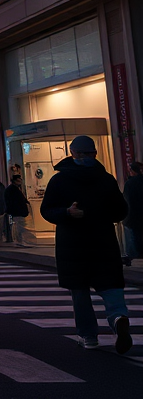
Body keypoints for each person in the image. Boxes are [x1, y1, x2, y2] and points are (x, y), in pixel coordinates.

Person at [40, 135, 132, 354]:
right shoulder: (106, 179)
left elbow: (47, 210)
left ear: (72, 154)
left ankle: (88, 335)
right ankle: (118, 318)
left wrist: (67, 213)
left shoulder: (59, 180)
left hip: (72, 245)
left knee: (80, 292)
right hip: (103, 242)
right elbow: (121, 211)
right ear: (95, 154)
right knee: (111, 287)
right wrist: (99, 215)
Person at [123, 161, 143, 266]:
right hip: (139, 218)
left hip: (132, 219)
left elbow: (127, 202)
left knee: (134, 246)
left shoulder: (130, 184)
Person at [4, 174, 31, 246]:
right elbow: (13, 201)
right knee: (19, 226)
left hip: (18, 211)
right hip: (17, 211)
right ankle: (19, 241)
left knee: (19, 226)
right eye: (19, 180)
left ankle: (20, 240)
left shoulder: (14, 189)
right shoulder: (12, 190)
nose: (20, 182)